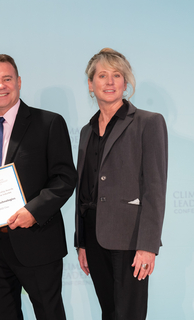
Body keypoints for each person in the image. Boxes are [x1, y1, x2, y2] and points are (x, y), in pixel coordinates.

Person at [0, 54, 77, 320]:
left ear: (19, 82)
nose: (0, 86)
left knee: (49, 314)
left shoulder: (48, 123)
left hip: (37, 241)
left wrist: (32, 212)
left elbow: (65, 178)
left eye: (7, 79)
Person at [75, 48, 168, 320]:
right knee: (109, 312)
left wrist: (148, 245)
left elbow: (155, 189)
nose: (110, 81)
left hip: (130, 239)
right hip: (93, 236)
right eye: (102, 75)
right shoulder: (86, 130)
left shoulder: (148, 122)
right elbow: (85, 188)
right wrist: (81, 242)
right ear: (91, 85)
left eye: (117, 75)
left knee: (129, 315)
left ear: (126, 84)